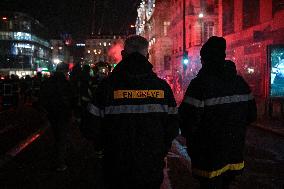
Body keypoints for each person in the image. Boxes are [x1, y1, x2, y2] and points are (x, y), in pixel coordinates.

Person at [87, 35, 179, 189]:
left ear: (123, 55)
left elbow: (90, 128)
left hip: (116, 167)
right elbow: (173, 127)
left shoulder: (106, 88)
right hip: (151, 166)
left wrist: (106, 147)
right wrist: (160, 149)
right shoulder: (162, 88)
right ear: (148, 56)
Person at [179, 36, 257, 189]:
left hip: (208, 156)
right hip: (233, 153)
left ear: (206, 59)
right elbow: (252, 115)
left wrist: (194, 141)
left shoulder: (200, 85)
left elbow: (187, 121)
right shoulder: (240, 83)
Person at [40, 63, 75, 171]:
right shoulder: (66, 83)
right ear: (65, 71)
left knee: (56, 136)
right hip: (63, 113)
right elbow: (71, 98)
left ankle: (56, 157)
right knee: (62, 137)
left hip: (51, 113)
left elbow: (42, 98)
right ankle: (61, 163)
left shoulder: (47, 82)